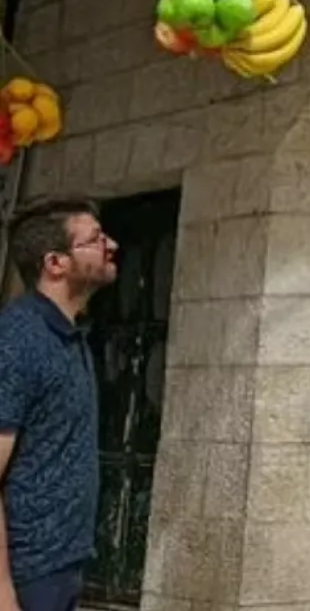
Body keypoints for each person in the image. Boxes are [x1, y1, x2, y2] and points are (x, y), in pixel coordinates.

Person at [0, 199, 118, 611]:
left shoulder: (71, 337)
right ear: (56, 263)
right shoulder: (18, 340)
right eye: (95, 239)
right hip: (26, 573)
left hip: (63, 566)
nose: (111, 245)